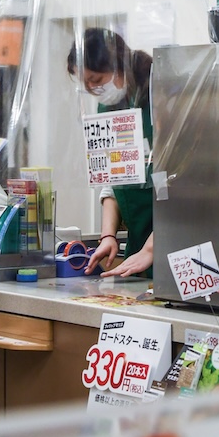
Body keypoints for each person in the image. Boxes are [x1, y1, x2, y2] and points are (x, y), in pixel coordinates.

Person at [67, 28, 155, 278]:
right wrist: (108, 236)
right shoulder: (108, 106)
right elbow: (112, 179)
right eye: (85, 84)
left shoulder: (162, 95)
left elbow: (190, 185)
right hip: (139, 251)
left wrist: (152, 248)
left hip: (175, 241)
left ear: (119, 65)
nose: (93, 89)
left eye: (96, 79)